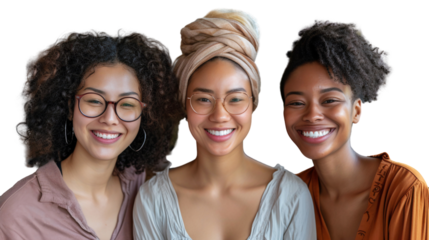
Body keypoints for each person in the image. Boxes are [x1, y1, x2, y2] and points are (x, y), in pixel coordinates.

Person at [133, 6, 316, 240]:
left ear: (253, 105)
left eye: (236, 99)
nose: (219, 115)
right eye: (203, 99)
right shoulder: (152, 199)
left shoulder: (290, 195)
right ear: (184, 105)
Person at [0, 28, 183, 240]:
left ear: (145, 114)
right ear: (69, 107)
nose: (110, 118)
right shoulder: (16, 215)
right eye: (94, 100)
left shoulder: (148, 189)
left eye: (127, 104)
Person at [279, 18, 429, 239]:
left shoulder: (403, 187)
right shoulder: (286, 196)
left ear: (356, 111)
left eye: (329, 100)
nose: (311, 115)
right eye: (296, 103)